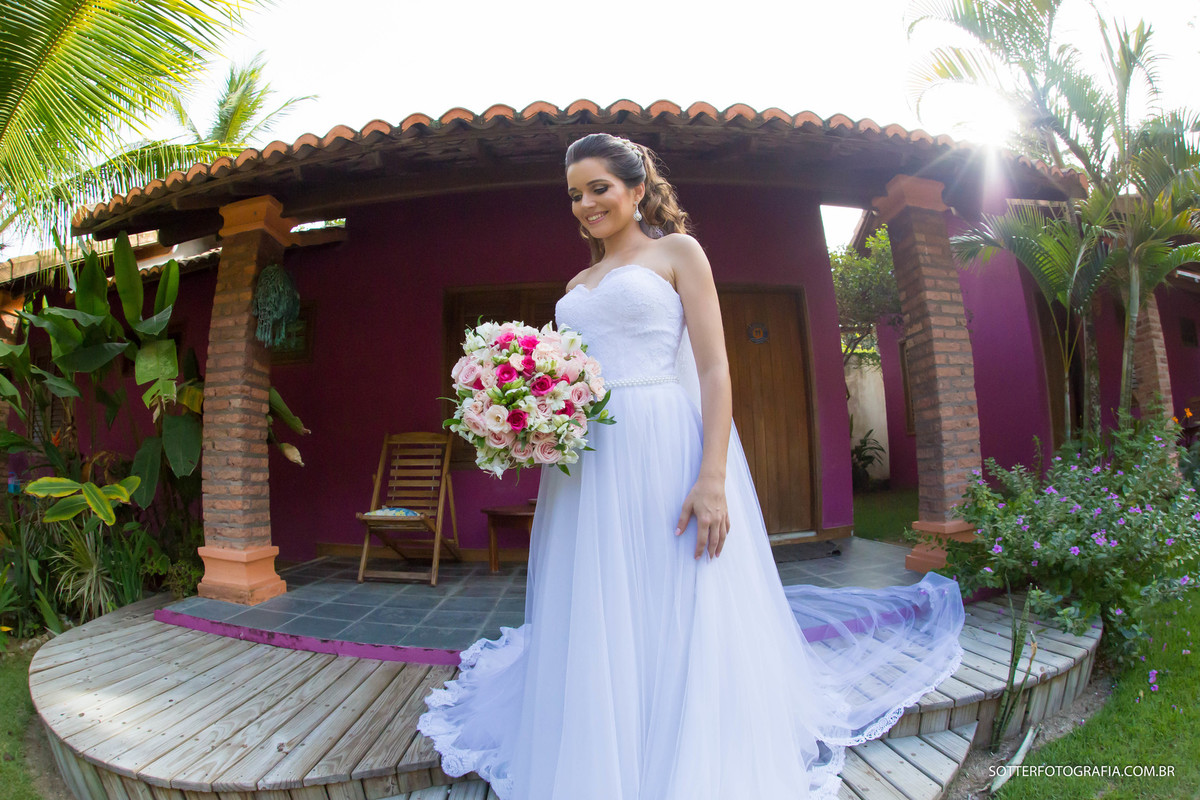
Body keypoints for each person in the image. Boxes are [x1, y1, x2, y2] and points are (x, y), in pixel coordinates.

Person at [418, 133, 966, 799]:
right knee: (601, 591)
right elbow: (571, 374)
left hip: (661, 441)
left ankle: (682, 740)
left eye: (599, 188)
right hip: (587, 457)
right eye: (574, 194)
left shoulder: (678, 253)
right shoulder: (576, 284)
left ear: (636, 188)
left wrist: (712, 477)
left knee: (673, 583)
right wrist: (527, 410)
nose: (586, 204)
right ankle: (607, 735)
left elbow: (712, 365)